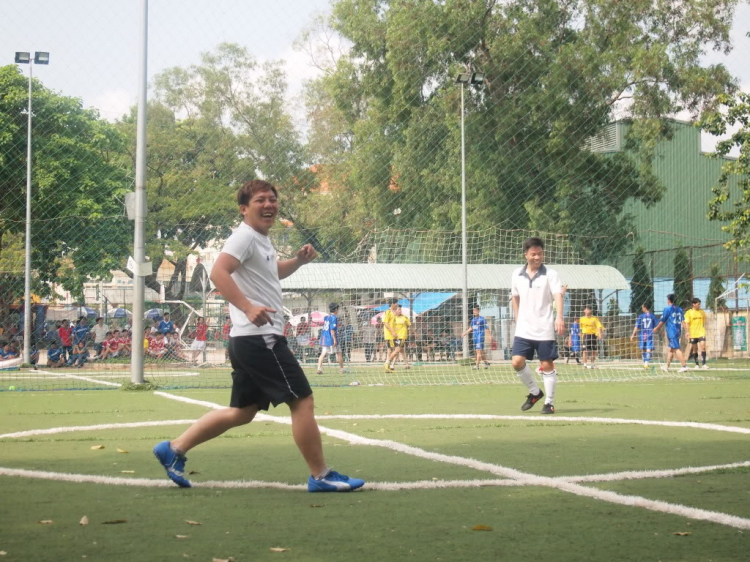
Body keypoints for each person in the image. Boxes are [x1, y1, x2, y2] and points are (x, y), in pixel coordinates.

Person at [152, 179, 364, 492]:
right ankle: (321, 475)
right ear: (244, 209)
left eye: (272, 199)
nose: (268, 205)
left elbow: (272, 272)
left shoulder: (261, 240)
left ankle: (174, 448)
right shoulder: (244, 237)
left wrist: (299, 261)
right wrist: (248, 306)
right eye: (260, 200)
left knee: (244, 411)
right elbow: (218, 272)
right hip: (259, 337)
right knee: (302, 400)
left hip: (248, 339)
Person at [511, 237, 564, 415]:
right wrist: (518, 318)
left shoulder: (551, 274)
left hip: (544, 327)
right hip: (524, 328)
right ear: (525, 255)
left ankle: (549, 402)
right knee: (516, 362)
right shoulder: (516, 274)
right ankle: (535, 392)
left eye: (540, 254)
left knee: (546, 364)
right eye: (533, 254)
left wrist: (559, 318)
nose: (537, 257)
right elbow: (515, 297)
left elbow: (558, 295)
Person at [654, 293, 689, 373]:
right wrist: (686, 331)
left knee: (676, 349)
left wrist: (656, 328)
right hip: (678, 331)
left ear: (669, 300)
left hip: (672, 331)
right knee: (671, 349)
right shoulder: (679, 309)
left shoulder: (667, 309)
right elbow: (683, 321)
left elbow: (662, 321)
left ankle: (684, 366)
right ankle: (666, 366)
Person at [316, 303, 345, 374]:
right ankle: (341, 369)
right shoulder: (334, 317)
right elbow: (332, 329)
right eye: (338, 309)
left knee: (323, 354)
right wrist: (334, 339)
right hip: (331, 338)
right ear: (335, 309)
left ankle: (319, 368)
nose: (338, 310)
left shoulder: (326, 317)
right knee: (339, 353)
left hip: (324, 338)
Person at [630, 303, 658, 369]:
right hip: (649, 334)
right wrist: (654, 329)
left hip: (643, 334)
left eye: (642, 307)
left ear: (645, 308)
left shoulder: (641, 316)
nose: (642, 309)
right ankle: (646, 363)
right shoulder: (652, 316)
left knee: (643, 349)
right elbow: (657, 325)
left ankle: (645, 363)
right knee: (648, 348)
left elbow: (636, 326)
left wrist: (633, 334)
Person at [684, 297, 708, 369]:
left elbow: (703, 322)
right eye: (698, 304)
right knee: (695, 349)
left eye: (700, 304)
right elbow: (687, 323)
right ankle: (697, 364)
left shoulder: (702, 312)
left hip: (701, 332)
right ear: (694, 304)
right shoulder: (689, 312)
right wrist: (687, 332)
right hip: (693, 334)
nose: (699, 305)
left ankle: (704, 364)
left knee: (703, 347)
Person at [382, 299, 399, 372]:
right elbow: (385, 323)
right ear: (392, 304)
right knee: (397, 349)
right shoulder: (387, 312)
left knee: (390, 350)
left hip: (395, 334)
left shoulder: (394, 313)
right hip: (390, 335)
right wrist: (393, 332)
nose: (397, 305)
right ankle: (387, 362)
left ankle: (388, 367)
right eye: (396, 303)